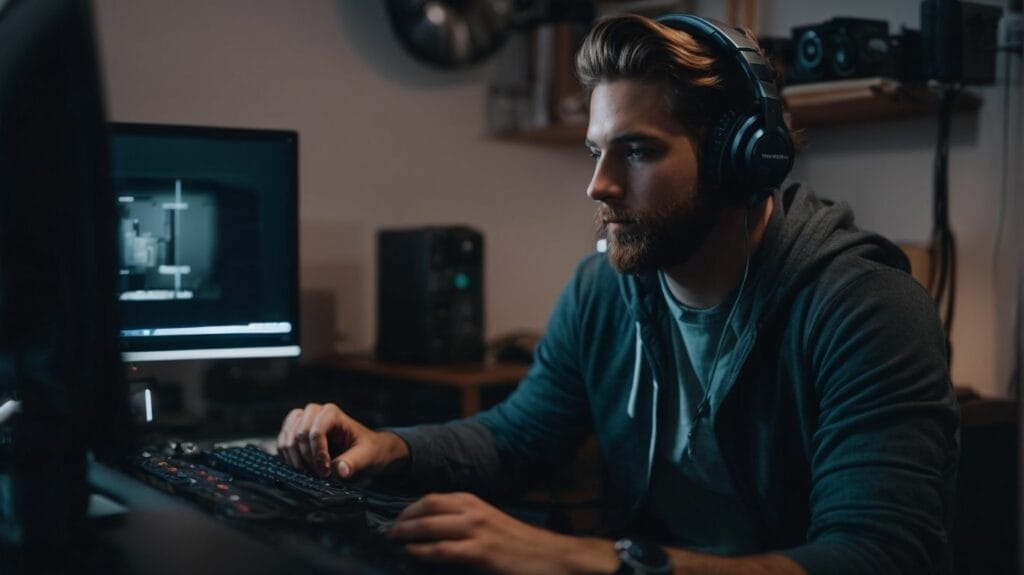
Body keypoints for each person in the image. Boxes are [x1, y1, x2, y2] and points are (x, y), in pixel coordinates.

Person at [278, 13, 959, 575]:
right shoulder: (603, 287)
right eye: (595, 151)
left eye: (637, 151)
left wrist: (583, 559)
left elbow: (875, 555)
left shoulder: (864, 308)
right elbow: (519, 438)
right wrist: (390, 447)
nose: (598, 185)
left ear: (741, 160)